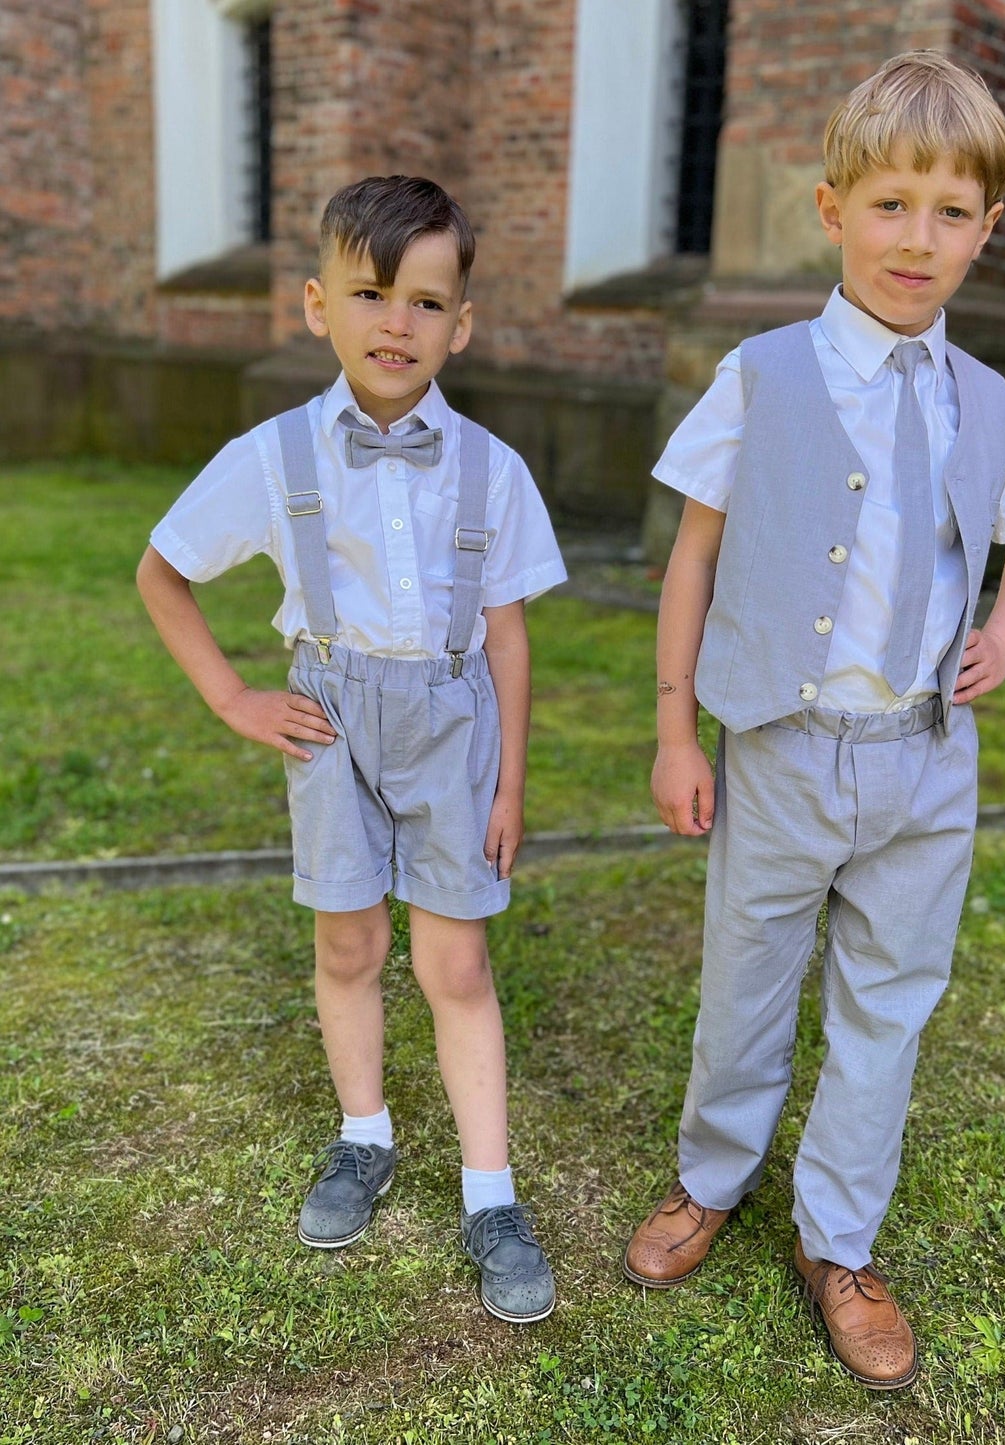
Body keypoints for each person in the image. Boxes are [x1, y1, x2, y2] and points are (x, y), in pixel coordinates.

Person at [622, 51, 1005, 1387]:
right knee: (747, 981)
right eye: (890, 205)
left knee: (889, 1002)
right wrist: (671, 729)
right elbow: (691, 559)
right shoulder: (762, 377)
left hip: (927, 765)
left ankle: (842, 1236)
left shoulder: (983, 401)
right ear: (832, 210)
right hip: (780, 749)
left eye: (949, 212)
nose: (916, 239)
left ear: (986, 227)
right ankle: (712, 1177)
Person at [137, 175, 566, 1324]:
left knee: (456, 961)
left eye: (426, 303)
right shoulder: (275, 456)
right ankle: (363, 1135)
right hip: (329, 715)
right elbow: (162, 570)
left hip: (451, 720)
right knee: (347, 939)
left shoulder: (493, 469)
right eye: (371, 293)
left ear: (460, 325)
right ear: (318, 304)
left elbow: (510, 633)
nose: (397, 322)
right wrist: (231, 692)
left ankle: (489, 1194)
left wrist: (509, 778)